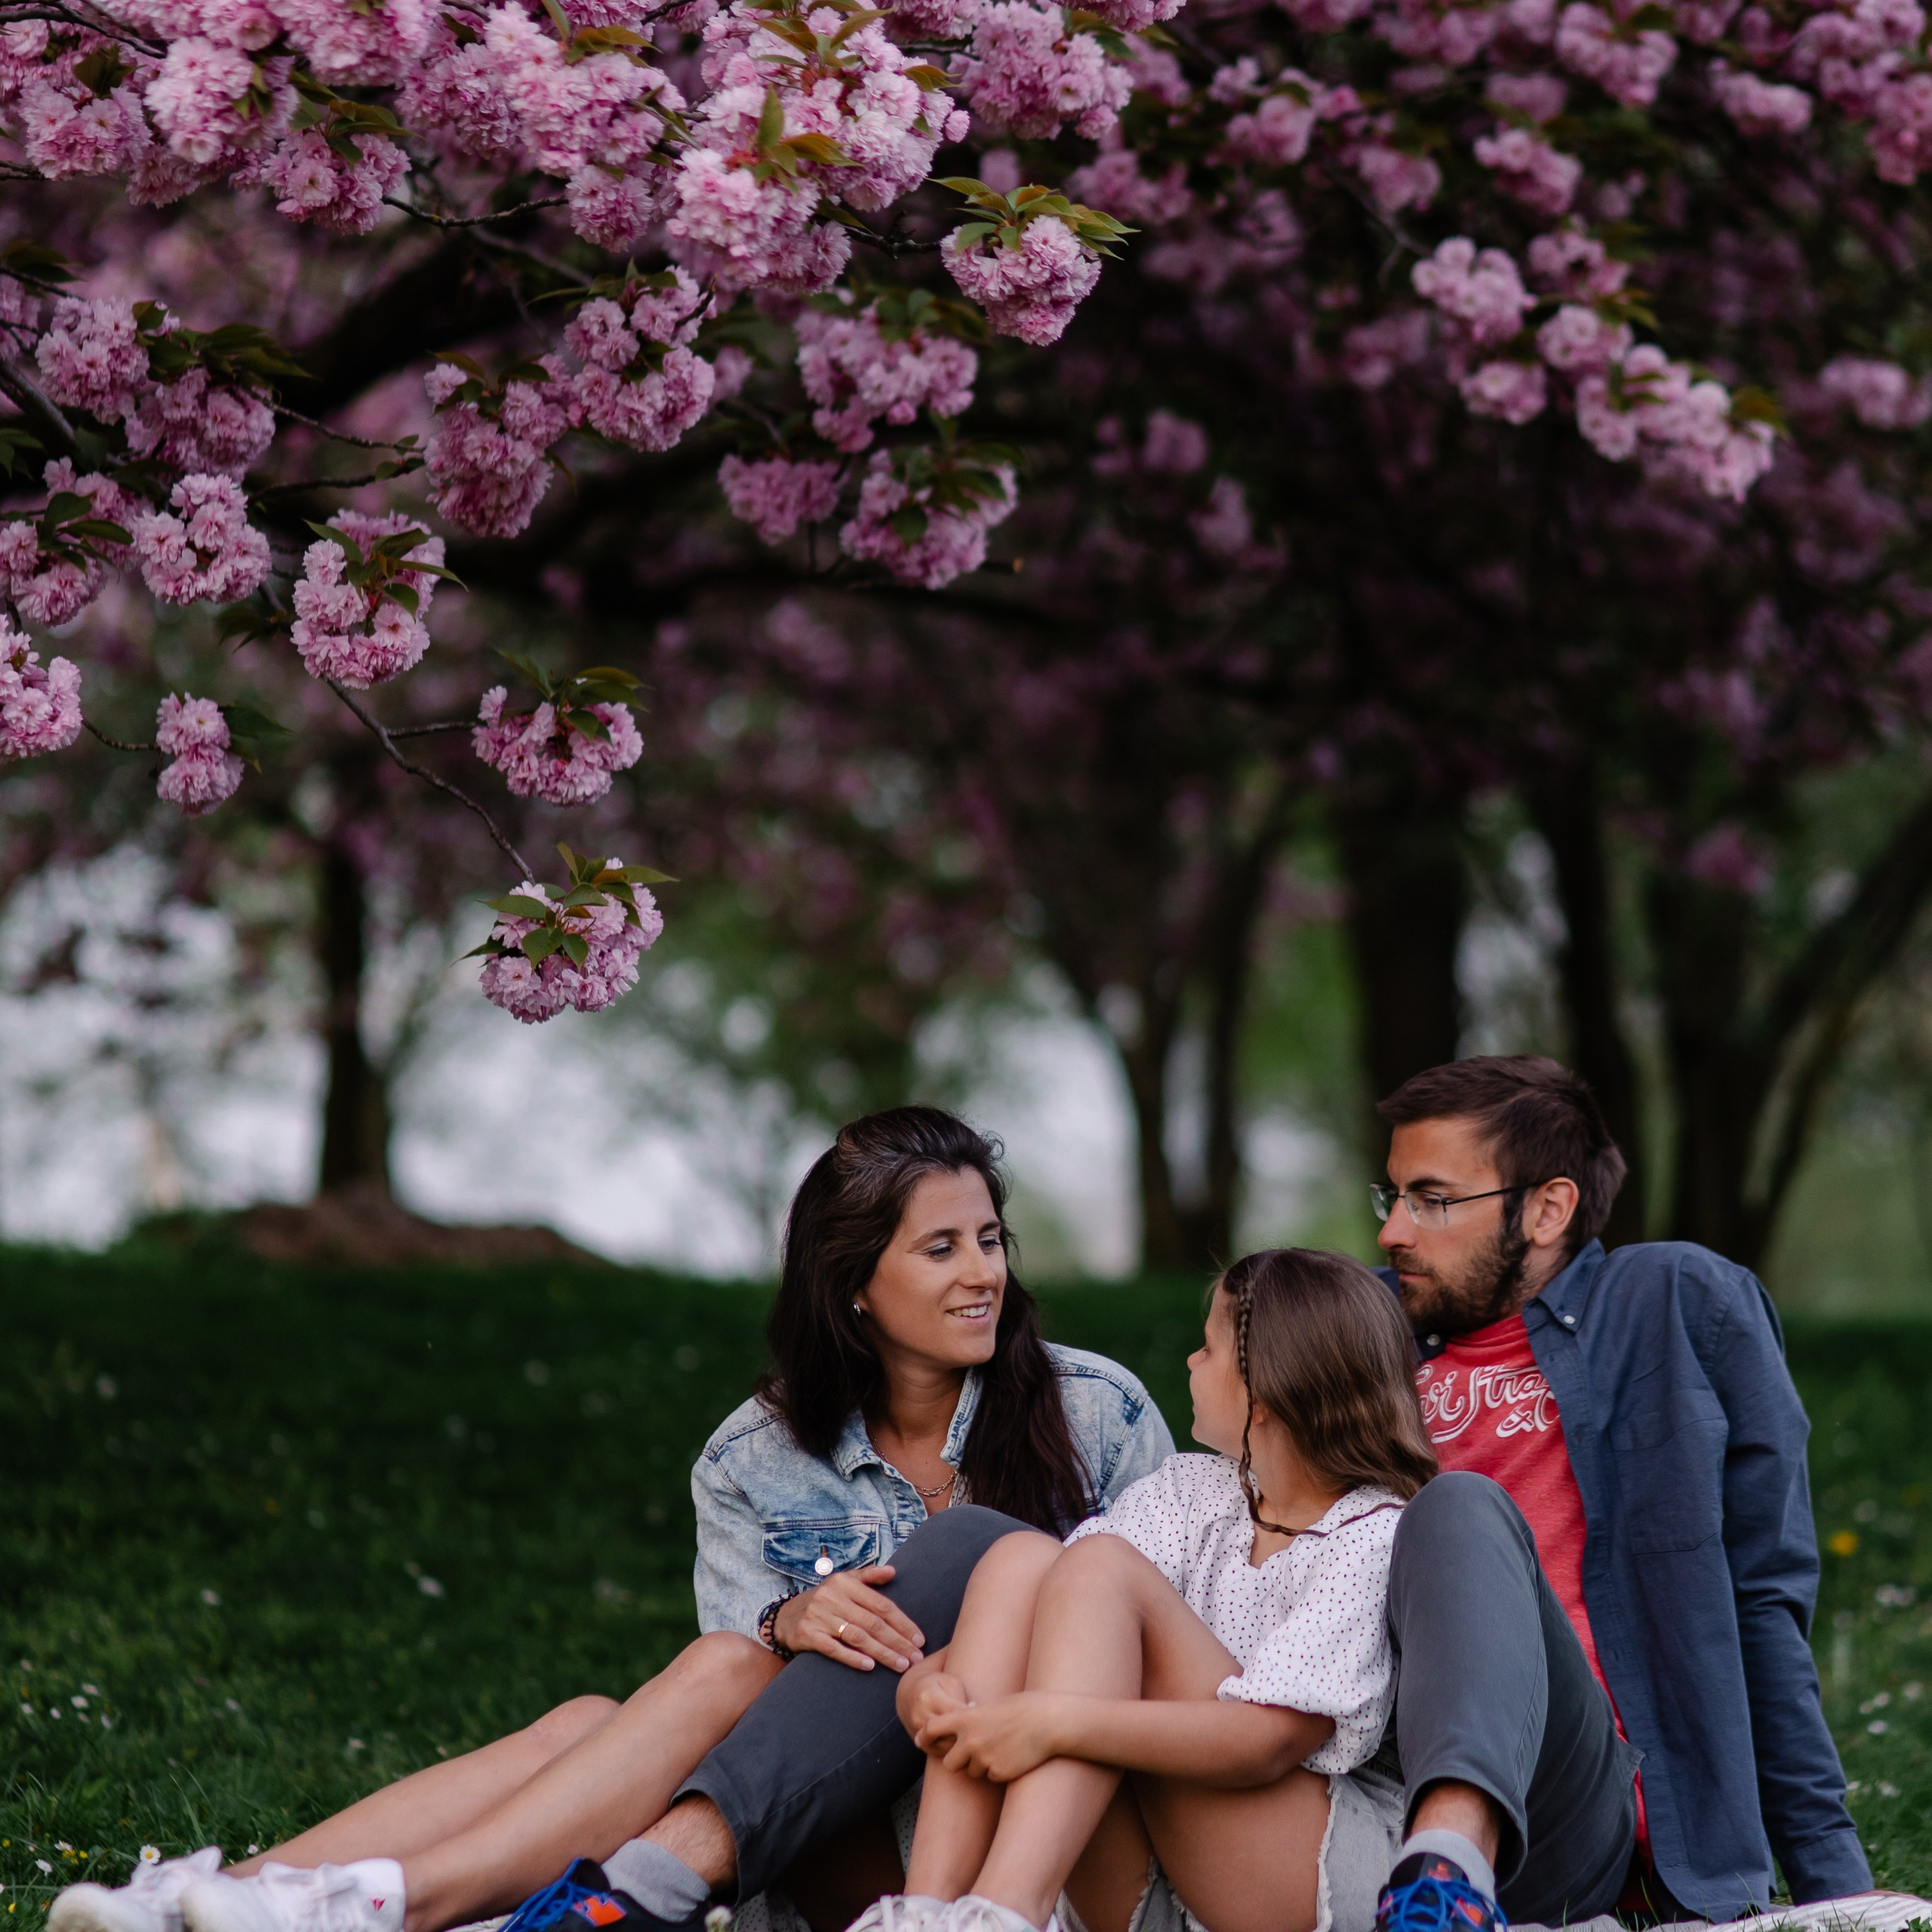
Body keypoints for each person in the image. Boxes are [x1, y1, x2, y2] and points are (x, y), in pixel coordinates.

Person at [48, 1108, 1172, 1932]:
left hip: (1024, 1844)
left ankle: (393, 1903)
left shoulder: (1096, 1412)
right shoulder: (754, 1457)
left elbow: (1166, 1639)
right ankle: (231, 1899)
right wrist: (788, 1623)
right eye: (941, 1248)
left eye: (989, 1240)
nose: (982, 1274)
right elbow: (733, 1718)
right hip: (830, 1842)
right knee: (625, 1707)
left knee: (823, 1628)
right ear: (852, 1286)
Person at [1364, 1054, 1869, 1932]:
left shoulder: (1669, 1303)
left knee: (1461, 1506)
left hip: (1576, 1814)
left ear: (1547, 1209)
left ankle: (1450, 1876)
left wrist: (1840, 1894)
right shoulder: (1358, 1331)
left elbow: (1758, 1599)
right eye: (1393, 1197)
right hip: (1380, 1788)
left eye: (1432, 1200)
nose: (1394, 1232)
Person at [860, 1246, 1438, 1932]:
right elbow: (1059, 1615)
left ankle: (1008, 1909)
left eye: (1208, 1348)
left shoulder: (1372, 1534)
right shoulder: (1193, 1492)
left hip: (1302, 1874)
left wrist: (1053, 1722)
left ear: (1264, 1396)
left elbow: (1268, 1742)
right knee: (1025, 1561)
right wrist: (928, 1686)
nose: (1191, 1361)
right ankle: (927, 1910)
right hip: (1155, 1871)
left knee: (1102, 1566)